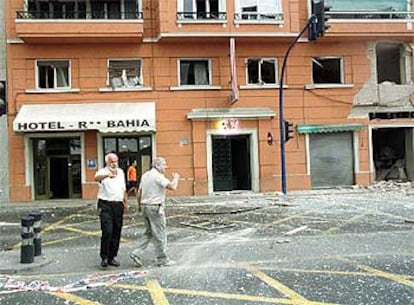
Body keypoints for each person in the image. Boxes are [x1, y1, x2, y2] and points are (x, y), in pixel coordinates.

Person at [130, 157, 180, 267]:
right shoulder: (158, 177)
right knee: (160, 233)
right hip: (155, 207)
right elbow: (173, 187)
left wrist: (139, 206)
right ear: (157, 166)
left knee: (149, 232)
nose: (165, 167)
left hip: (144, 206)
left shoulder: (145, 175)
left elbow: (139, 192)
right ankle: (162, 259)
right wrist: (176, 178)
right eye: (163, 165)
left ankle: (136, 253)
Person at [94, 153, 128, 268]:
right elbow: (96, 178)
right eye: (112, 161)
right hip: (105, 205)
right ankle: (104, 257)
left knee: (116, 231)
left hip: (118, 205)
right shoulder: (102, 172)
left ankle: (112, 257)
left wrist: (125, 202)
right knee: (107, 231)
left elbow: (123, 188)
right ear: (107, 162)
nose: (114, 164)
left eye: (116, 161)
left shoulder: (121, 172)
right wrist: (107, 175)